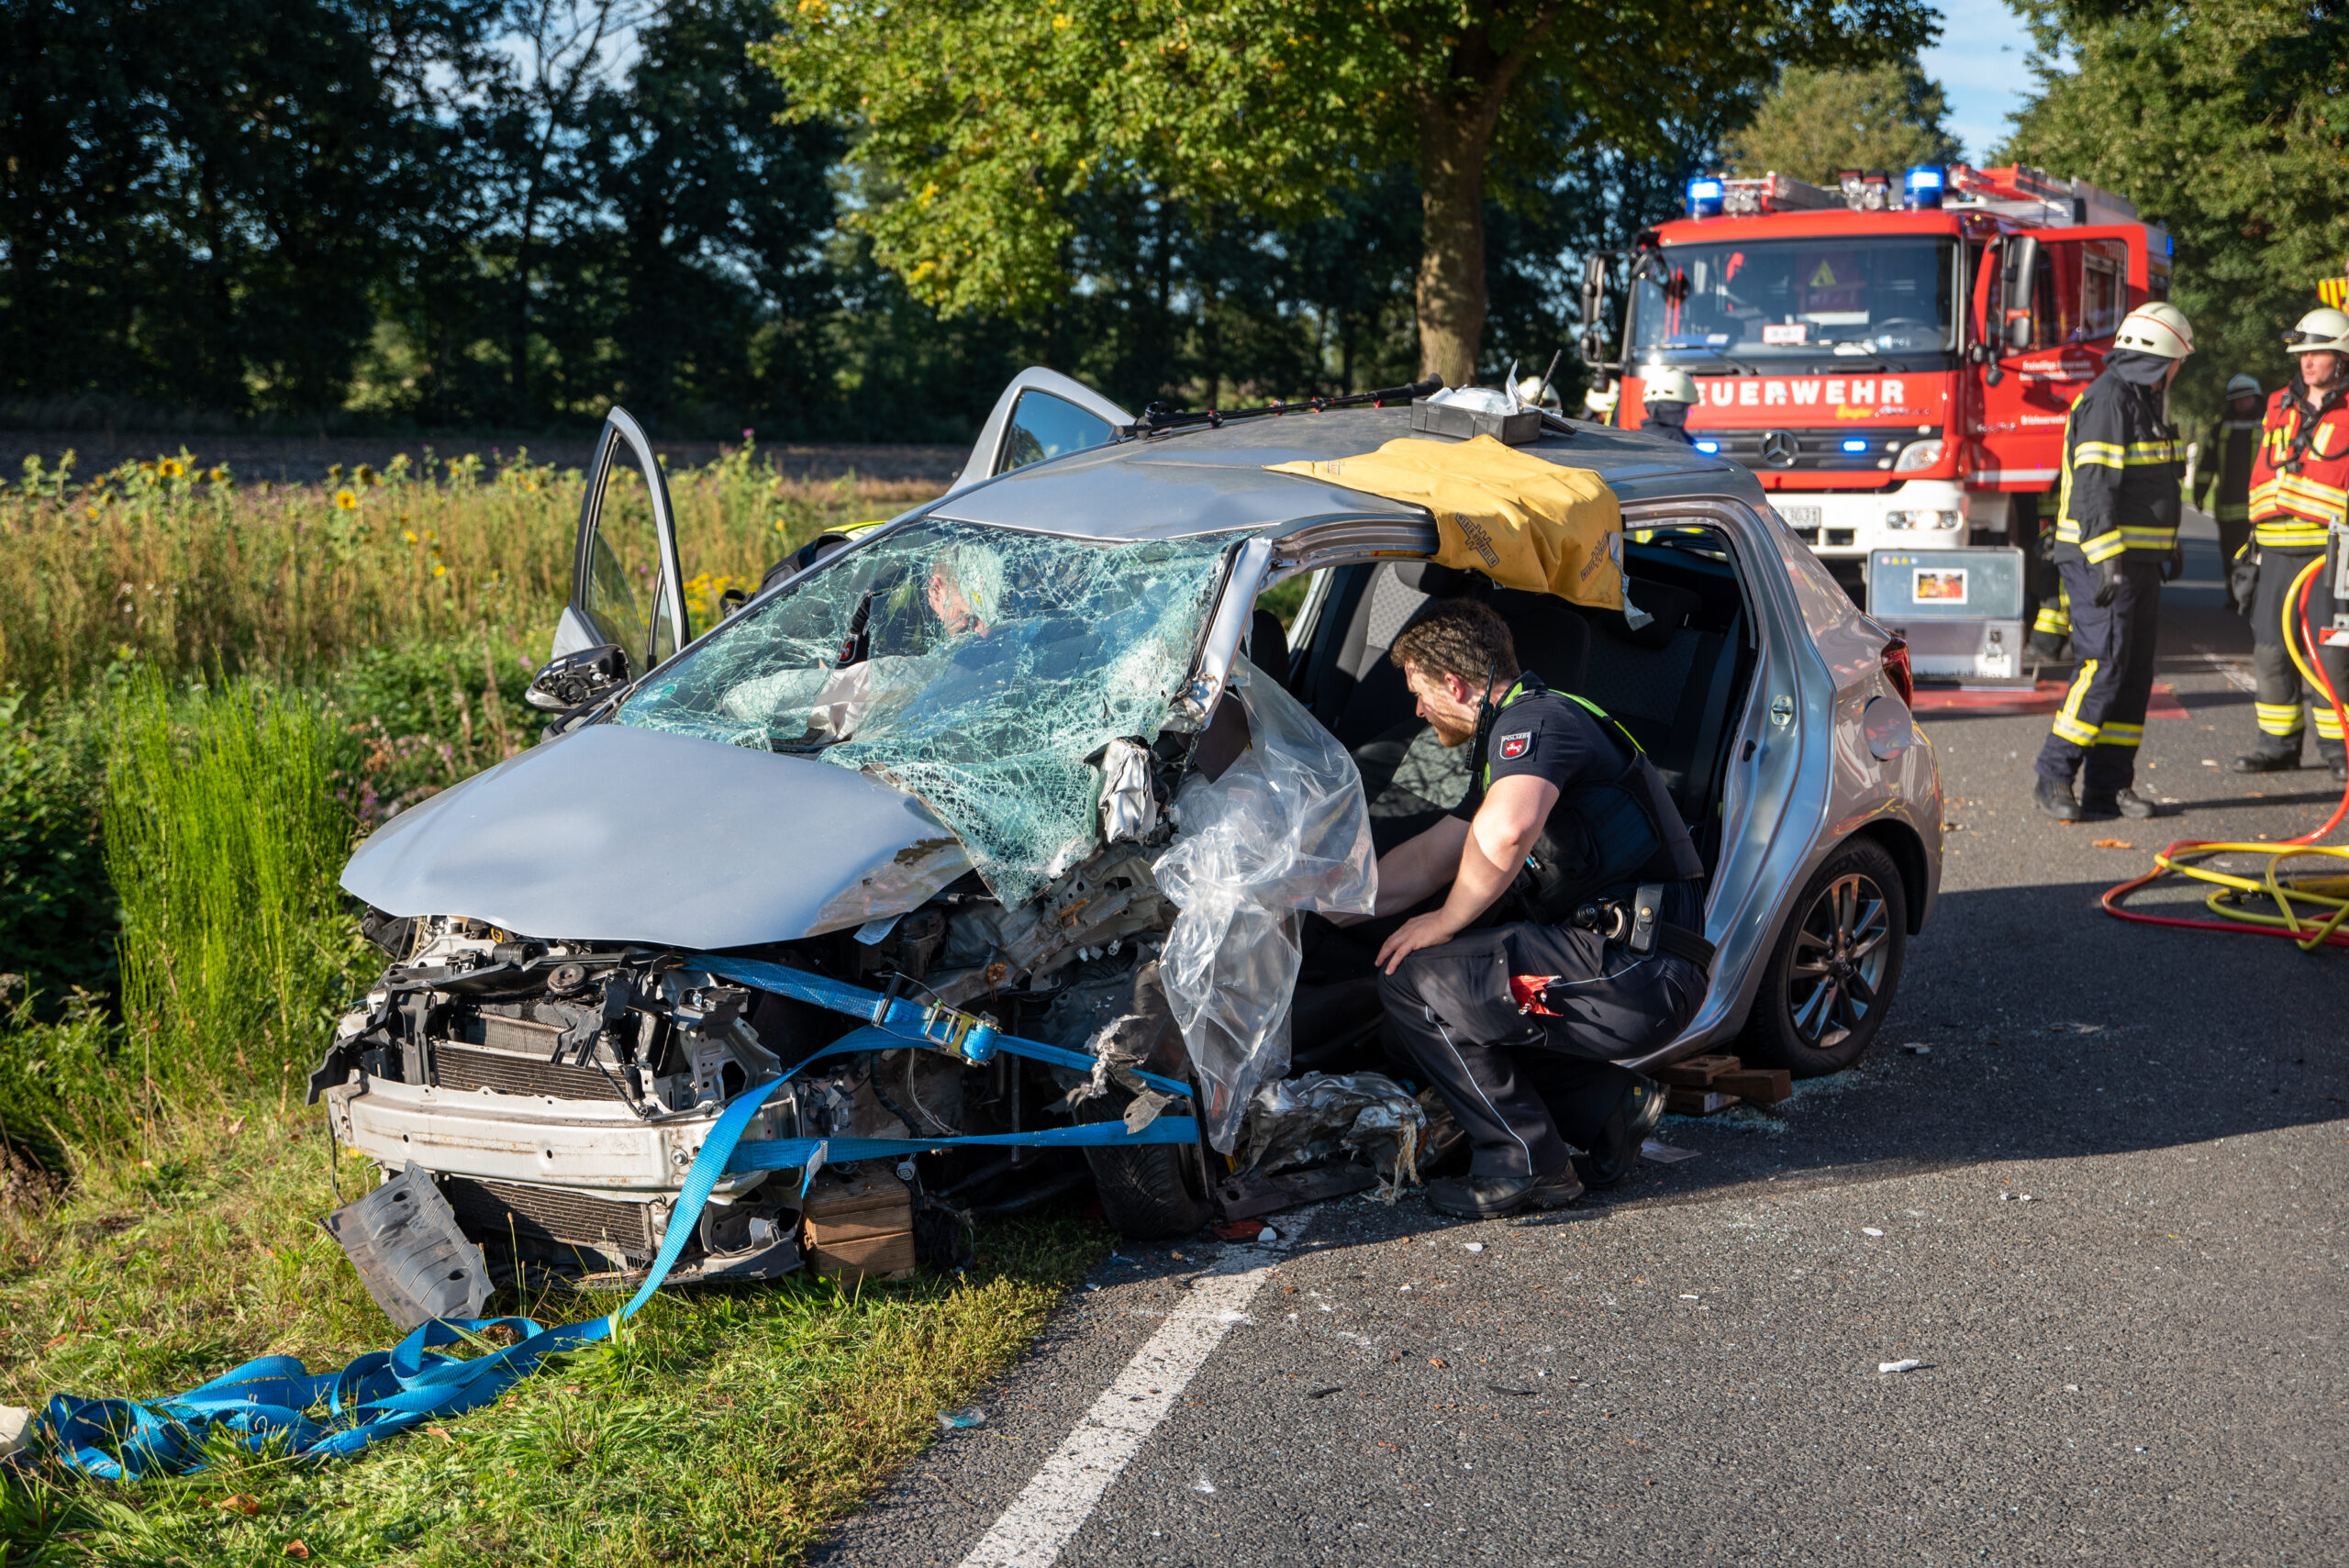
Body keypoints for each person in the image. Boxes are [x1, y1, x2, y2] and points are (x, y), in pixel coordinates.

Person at [1366, 600, 1709, 1218]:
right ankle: (1611, 1106)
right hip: (1628, 962)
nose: (1417, 710)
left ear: (1455, 683)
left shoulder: (1537, 724)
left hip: (1639, 969)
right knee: (1409, 1019)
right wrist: (1324, 899)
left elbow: (1505, 833)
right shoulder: (1521, 737)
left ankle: (1525, 1162)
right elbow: (1429, 859)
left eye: (1419, 691)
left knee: (1418, 985)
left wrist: (1443, 922)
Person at [2032, 302, 2193, 822]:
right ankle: (2054, 775)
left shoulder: (2140, 402)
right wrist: (2106, 560)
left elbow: (2148, 486)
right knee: (2104, 666)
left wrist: (2166, 544)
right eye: (2177, 361)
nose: (2176, 372)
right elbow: (2093, 490)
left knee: (2133, 674)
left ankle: (2109, 787)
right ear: (2160, 358)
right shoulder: (2107, 402)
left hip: (2137, 563)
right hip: (2102, 562)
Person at [2232, 309, 2349, 780]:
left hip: (2335, 552)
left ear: (2341, 357)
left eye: (2317, 353)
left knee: (2334, 651)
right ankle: (2277, 744)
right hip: (2276, 548)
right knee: (2271, 649)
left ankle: (2340, 749)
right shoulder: (2279, 402)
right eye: (2302, 353)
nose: (2306, 362)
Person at [2198, 373, 2265, 573]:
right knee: (2229, 552)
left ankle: (2248, 599)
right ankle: (2232, 596)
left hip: (2257, 507)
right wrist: (2200, 492)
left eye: (2246, 397)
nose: (2241, 403)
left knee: (2255, 555)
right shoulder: (2221, 429)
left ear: (2256, 398)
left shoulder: (2268, 427)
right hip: (2226, 506)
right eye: (2237, 399)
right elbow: (2207, 463)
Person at [1639, 368, 1701, 444]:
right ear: (1678, 408)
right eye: (1687, 409)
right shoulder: (1677, 439)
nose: (1688, 413)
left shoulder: (1636, 436)